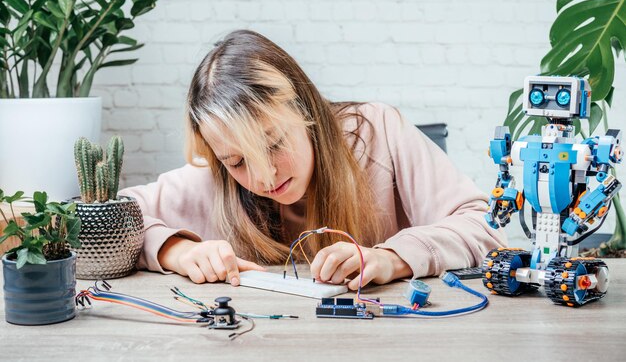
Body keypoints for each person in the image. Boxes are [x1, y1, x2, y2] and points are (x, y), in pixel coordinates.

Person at [120, 30, 505, 289]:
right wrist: (177, 250)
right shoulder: (215, 177)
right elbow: (91, 220)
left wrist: (393, 258)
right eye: (237, 161)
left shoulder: (379, 131)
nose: (264, 175)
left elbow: (485, 228)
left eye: (273, 143)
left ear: (303, 108)